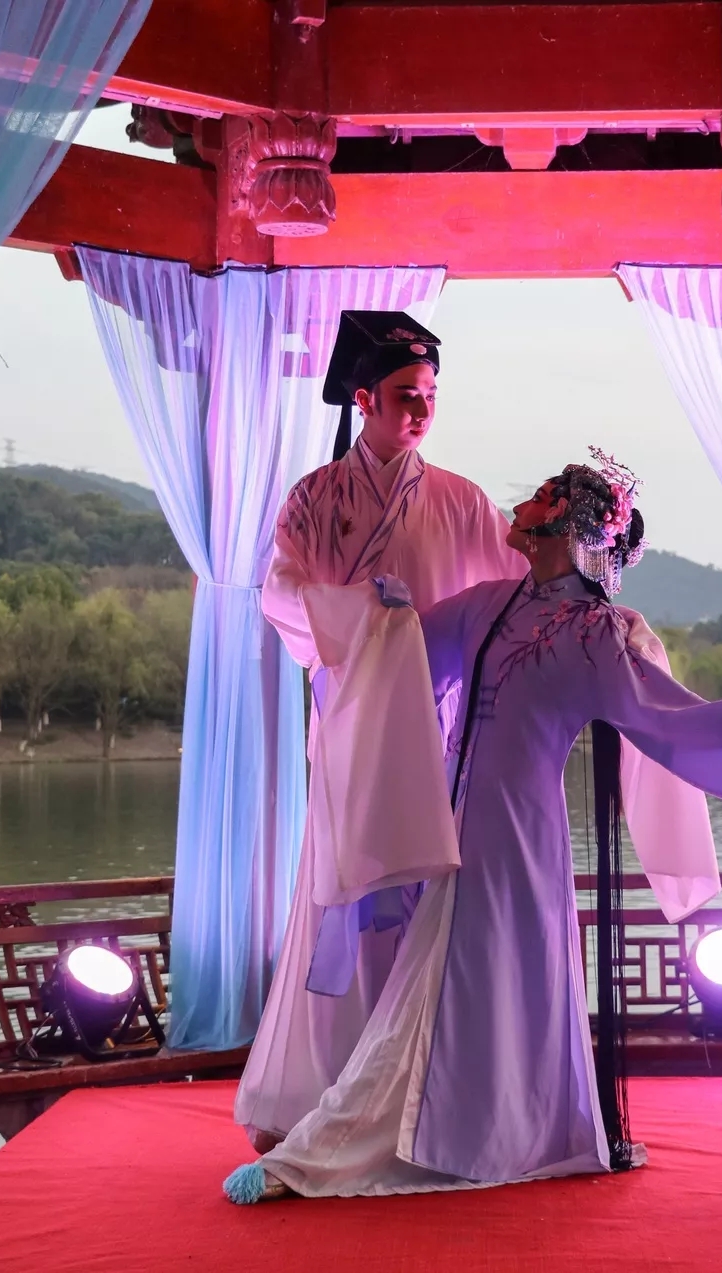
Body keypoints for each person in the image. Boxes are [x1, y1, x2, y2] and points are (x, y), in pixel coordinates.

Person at [224, 450, 722, 1214]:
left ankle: (338, 1151)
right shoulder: (491, 603)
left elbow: (673, 722)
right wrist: (376, 615)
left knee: (444, 988)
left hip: (519, 837)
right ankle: (469, 1134)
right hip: (458, 825)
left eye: (539, 497)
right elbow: (404, 653)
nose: (521, 503)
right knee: (439, 990)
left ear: (570, 526)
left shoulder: (599, 634)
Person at [235, 309, 521, 1151]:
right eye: (404, 395)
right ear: (363, 399)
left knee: (430, 903)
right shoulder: (316, 498)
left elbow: (515, 587)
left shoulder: (462, 501)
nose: (420, 410)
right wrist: (361, 609)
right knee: (348, 892)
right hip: (353, 726)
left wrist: (591, 555)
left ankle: (427, 1093)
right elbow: (281, 591)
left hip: (440, 730)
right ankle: (323, 1091)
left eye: (429, 394)